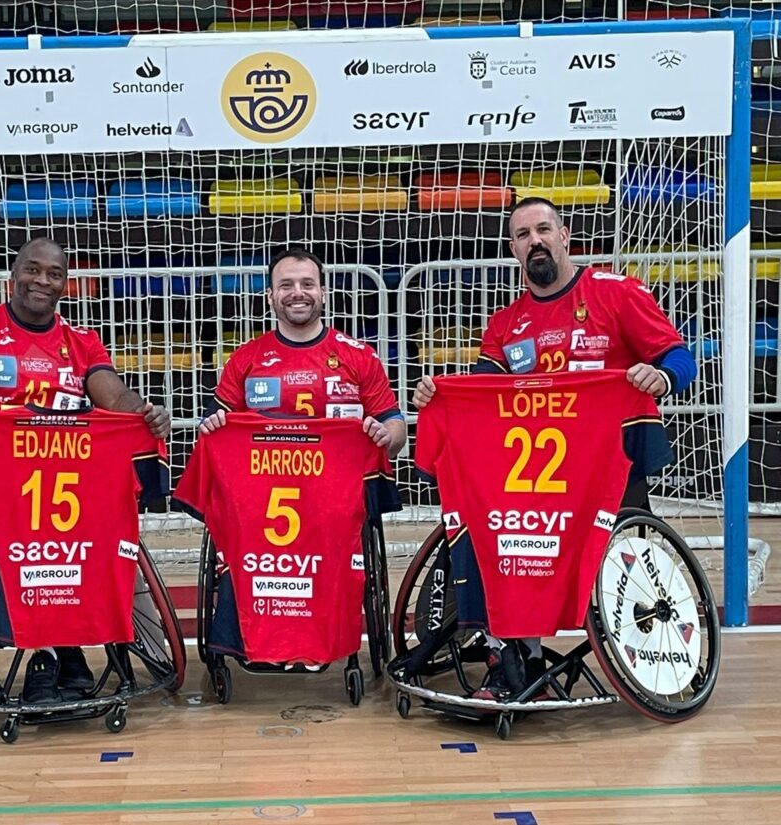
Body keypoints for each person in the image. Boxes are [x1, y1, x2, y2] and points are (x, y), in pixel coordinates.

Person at [412, 197, 697, 699]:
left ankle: (663, 658)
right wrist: (440, 395)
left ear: (564, 236)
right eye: (523, 235)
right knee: (507, 543)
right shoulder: (506, 324)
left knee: (626, 565)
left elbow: (680, 357)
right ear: (513, 249)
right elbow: (482, 394)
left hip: (607, 472)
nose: (535, 241)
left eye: (543, 229)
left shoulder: (614, 292)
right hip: (535, 485)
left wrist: (662, 376)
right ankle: (516, 660)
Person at [0, 237, 170, 703]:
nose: (43, 280)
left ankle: (69, 646)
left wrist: (143, 413)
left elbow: (115, 396)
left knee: (103, 525)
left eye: (55, 274)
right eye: (33, 269)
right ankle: (52, 652)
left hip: (69, 486)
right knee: (29, 534)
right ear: (13, 276)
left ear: (65, 284)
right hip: (1, 487)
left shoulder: (81, 342)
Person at [200, 247, 407, 458]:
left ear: (323, 293)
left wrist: (387, 437)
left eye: (308, 284)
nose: (298, 293)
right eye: (286, 285)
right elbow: (210, 426)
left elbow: (393, 422)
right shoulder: (245, 358)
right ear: (270, 296)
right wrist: (211, 425)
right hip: (267, 477)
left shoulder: (360, 356)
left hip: (343, 476)